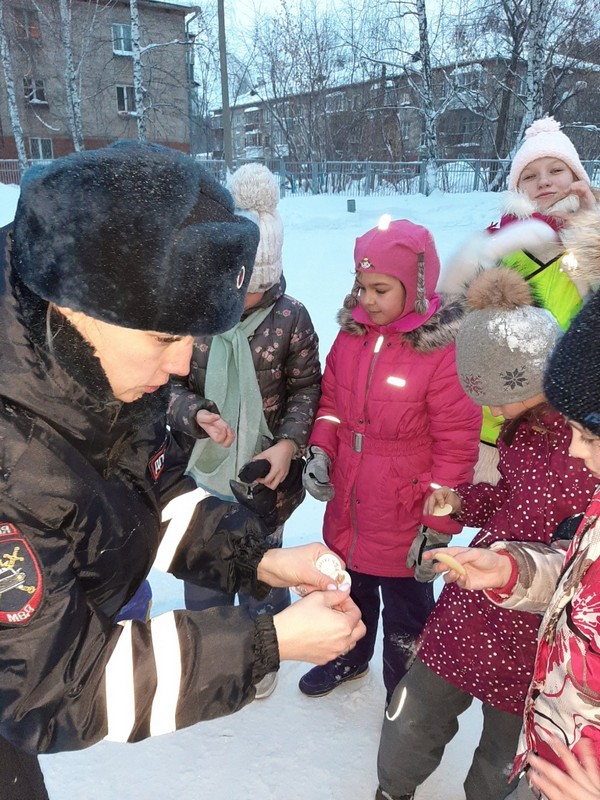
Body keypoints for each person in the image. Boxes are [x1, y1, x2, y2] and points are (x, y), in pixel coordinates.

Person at [0, 143, 365, 800]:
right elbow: (56, 691)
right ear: (77, 304)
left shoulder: (95, 364)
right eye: (166, 338)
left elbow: (151, 494)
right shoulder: (12, 462)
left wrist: (258, 559)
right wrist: (266, 640)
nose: (178, 364)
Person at [375, 266, 598, 800]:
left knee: (503, 755)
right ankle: (392, 788)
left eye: (499, 396)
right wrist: (464, 501)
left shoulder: (584, 451)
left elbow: (574, 558)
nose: (492, 411)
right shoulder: (523, 433)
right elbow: (512, 502)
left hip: (531, 639)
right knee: (415, 713)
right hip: (471, 611)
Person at [298, 216, 481, 703]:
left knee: (407, 615)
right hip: (351, 502)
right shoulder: (351, 336)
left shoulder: (442, 352)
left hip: (406, 512)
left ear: (415, 290)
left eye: (381, 289)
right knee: (349, 595)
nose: (368, 299)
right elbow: (331, 405)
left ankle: (405, 691)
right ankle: (349, 656)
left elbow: (456, 445)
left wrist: (437, 525)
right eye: (362, 287)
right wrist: (322, 449)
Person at [168, 162, 321, 698]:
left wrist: (288, 445)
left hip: (264, 481)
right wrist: (195, 414)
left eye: (255, 291)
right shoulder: (195, 315)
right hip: (200, 477)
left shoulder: (292, 318)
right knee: (204, 574)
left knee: (263, 573)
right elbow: (168, 383)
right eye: (235, 289)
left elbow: (307, 389)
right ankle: (211, 658)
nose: (241, 303)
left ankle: (263, 651)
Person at [441, 116, 599, 483]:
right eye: (529, 175)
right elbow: (450, 318)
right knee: (499, 503)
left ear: (577, 177)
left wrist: (589, 231)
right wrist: (481, 258)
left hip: (572, 423)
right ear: (516, 188)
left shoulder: (592, 236)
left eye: (556, 170)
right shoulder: (498, 243)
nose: (543, 181)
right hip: (501, 416)